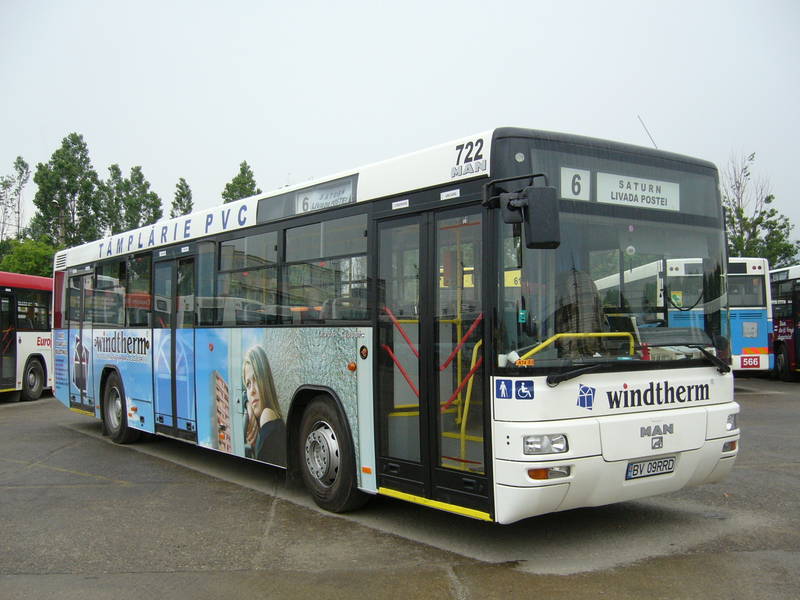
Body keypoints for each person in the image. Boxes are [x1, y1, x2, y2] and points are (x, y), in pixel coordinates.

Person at [242, 345, 286, 465]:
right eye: (248, 384)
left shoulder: (267, 415)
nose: (252, 391)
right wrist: (248, 405)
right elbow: (244, 395)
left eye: (256, 379)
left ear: (265, 380)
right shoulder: (272, 419)